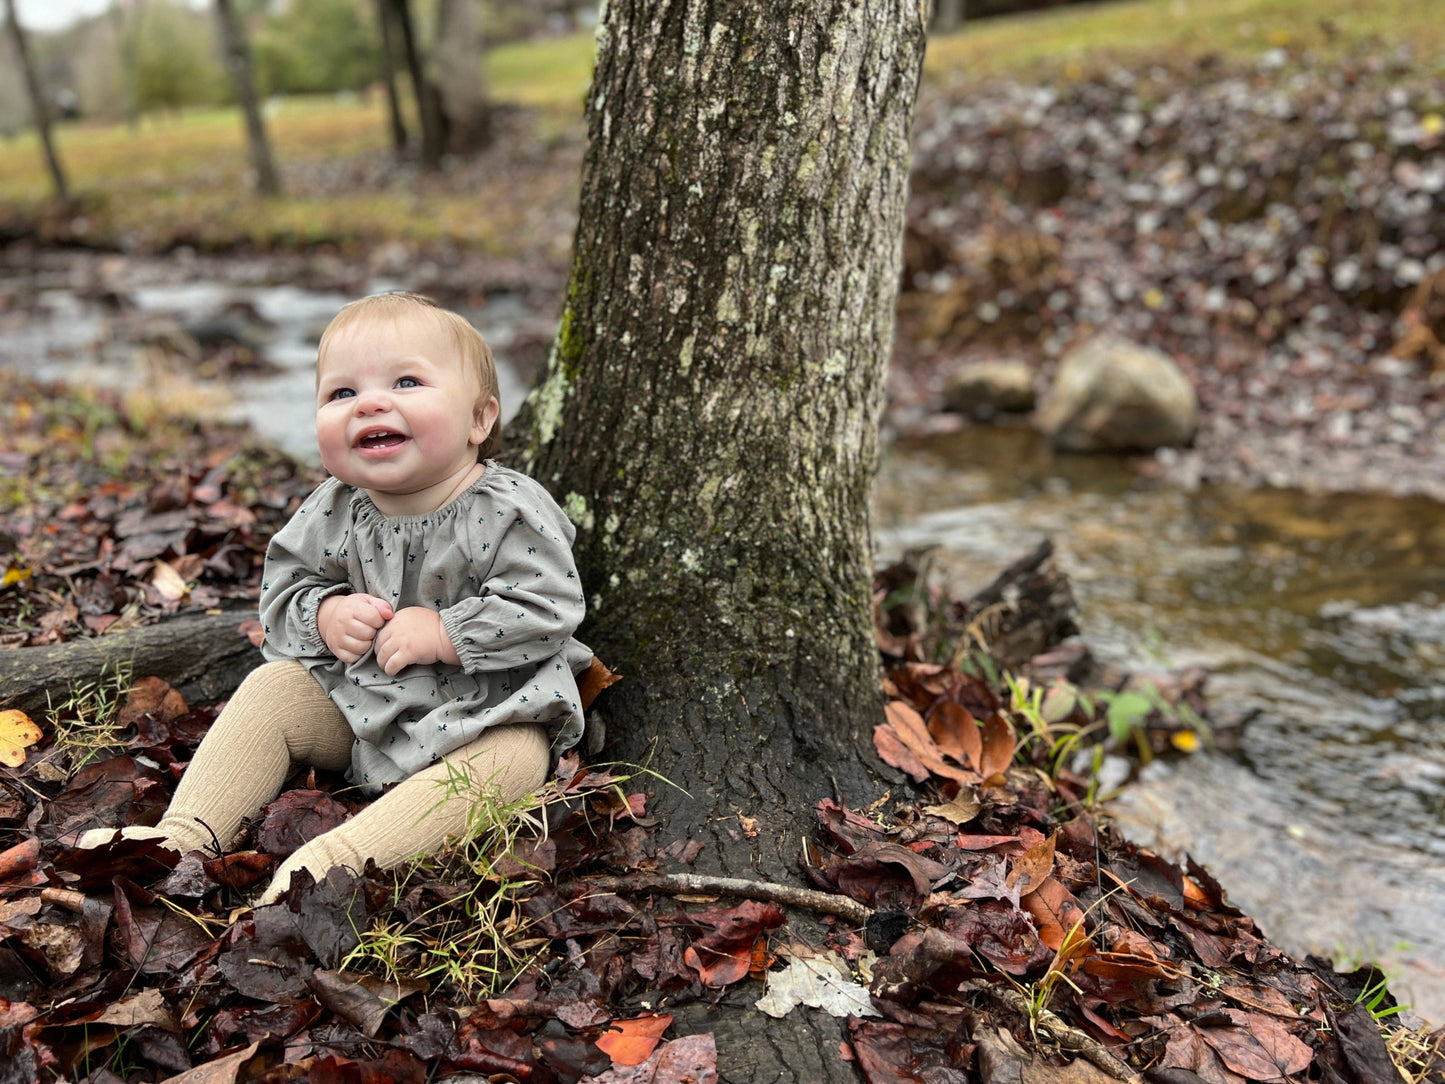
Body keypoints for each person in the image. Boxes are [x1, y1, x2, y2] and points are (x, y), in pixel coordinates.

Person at [80, 292, 591, 903]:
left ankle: (339, 862)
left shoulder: (507, 508)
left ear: (480, 420)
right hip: (363, 704)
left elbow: (550, 607)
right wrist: (321, 615)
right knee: (274, 690)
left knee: (512, 765)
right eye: (341, 393)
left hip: (490, 711)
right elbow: (282, 593)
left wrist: (447, 633)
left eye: (406, 381)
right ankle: (185, 836)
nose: (371, 402)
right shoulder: (333, 507)